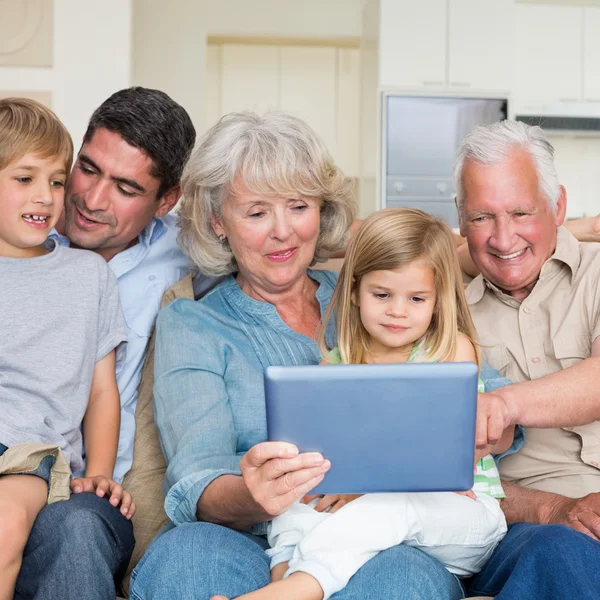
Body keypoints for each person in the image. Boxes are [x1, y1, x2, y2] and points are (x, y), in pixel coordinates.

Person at [129, 110, 514, 600]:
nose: (283, 232)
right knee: (187, 559)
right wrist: (254, 493)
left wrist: (470, 434)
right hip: (254, 536)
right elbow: (196, 476)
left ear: (322, 209)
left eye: (297, 206)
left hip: (388, 535)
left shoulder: (378, 294)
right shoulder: (193, 322)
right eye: (256, 212)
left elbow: (496, 409)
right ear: (217, 222)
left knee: (401, 578)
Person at [210, 207, 510, 600]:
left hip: (461, 513)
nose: (398, 311)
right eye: (382, 294)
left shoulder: (449, 350)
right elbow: (323, 459)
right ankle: (283, 576)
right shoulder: (336, 364)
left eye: (417, 298)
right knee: (295, 502)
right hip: (368, 518)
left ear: (438, 301)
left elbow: (435, 450)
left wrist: (359, 492)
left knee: (386, 507)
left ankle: (296, 590)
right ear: (354, 291)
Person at [11, 87, 197, 600]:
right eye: (88, 169)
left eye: (125, 188)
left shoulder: (187, 255)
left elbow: (280, 231)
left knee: (72, 531)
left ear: (166, 200)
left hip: (81, 493)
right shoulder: (20, 232)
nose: (92, 200)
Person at [455, 120, 600, 599]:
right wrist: (552, 509)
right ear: (459, 218)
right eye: (481, 218)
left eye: (521, 212)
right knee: (560, 552)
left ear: (557, 205)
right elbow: (449, 476)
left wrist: (505, 404)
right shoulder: (436, 311)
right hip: (527, 525)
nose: (502, 238)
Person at [0, 98, 135, 599]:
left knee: (5, 527)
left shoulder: (86, 275)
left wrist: (98, 473)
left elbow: (102, 392)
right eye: (24, 179)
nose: (45, 196)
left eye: (56, 181)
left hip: (26, 454)